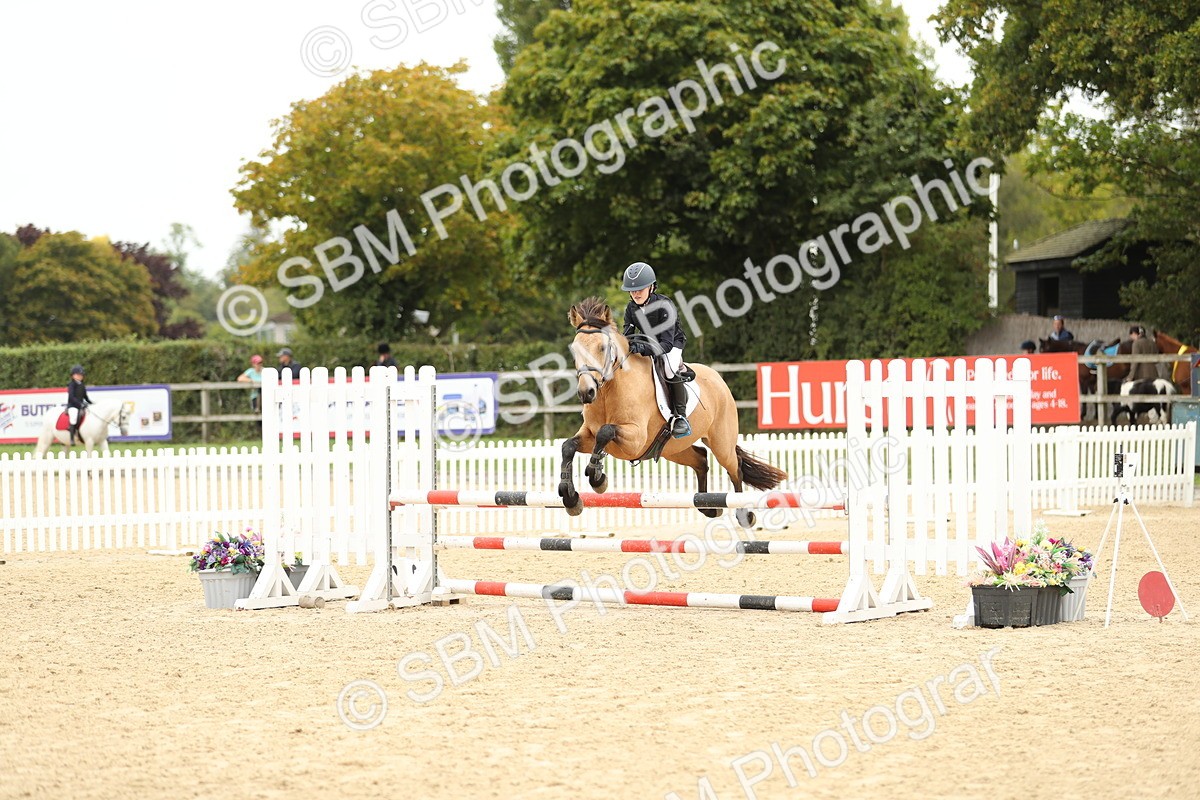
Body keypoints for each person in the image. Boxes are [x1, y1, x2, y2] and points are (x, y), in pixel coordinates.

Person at [621, 261, 692, 438]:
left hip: (672, 344)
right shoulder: (631, 308)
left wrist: (642, 348)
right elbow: (627, 334)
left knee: (668, 369)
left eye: (640, 289)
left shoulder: (664, 305)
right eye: (632, 290)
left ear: (651, 287)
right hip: (648, 343)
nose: (635, 293)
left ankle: (680, 417)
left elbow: (666, 344)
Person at [66, 364, 90, 446]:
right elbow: (71, 397)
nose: (80, 376)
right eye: (78, 375)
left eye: (81, 375)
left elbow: (85, 396)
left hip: (81, 405)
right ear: (73, 375)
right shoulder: (71, 385)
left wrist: (90, 402)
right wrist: (80, 404)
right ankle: (72, 438)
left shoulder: (82, 385)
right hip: (73, 405)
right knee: (73, 417)